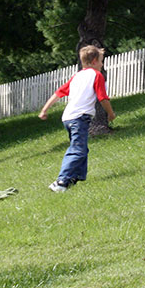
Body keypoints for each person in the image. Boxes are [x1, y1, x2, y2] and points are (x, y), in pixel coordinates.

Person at [39, 45, 116, 192]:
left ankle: (74, 178)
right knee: (77, 149)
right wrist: (110, 113)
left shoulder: (77, 76)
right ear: (94, 61)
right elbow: (103, 98)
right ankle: (61, 181)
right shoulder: (96, 75)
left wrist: (45, 109)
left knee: (81, 148)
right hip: (79, 118)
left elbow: (58, 93)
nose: (102, 64)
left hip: (68, 117)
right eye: (101, 61)